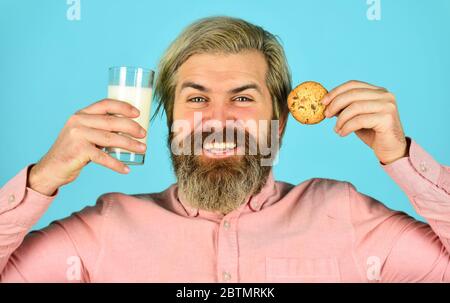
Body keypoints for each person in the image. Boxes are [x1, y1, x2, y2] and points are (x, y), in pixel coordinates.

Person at [0, 16, 449, 282]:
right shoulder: (102, 230)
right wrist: (42, 179)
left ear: (282, 117)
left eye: (242, 98)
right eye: (196, 99)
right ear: (169, 119)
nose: (217, 119)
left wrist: (401, 157)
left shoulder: (346, 214)